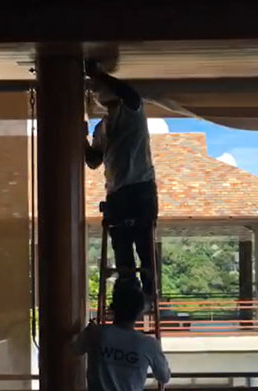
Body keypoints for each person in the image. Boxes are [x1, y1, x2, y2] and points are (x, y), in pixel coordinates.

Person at [84, 59, 158, 304]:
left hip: (139, 187)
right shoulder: (101, 128)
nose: (99, 96)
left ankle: (148, 295)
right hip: (118, 191)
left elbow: (130, 94)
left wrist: (99, 75)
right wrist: (81, 139)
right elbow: (93, 161)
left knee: (143, 246)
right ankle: (129, 297)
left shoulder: (132, 111)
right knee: (122, 247)